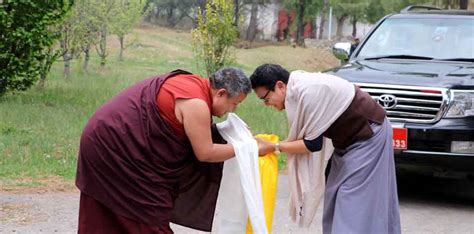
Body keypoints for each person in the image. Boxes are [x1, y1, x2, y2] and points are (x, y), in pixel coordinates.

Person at [76, 67, 257, 233]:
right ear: (221, 93)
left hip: (103, 137)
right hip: (111, 147)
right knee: (149, 214)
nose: (233, 109)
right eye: (234, 103)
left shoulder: (192, 83)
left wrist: (232, 136)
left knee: (117, 215)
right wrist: (246, 147)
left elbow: (193, 131)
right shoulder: (196, 103)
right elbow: (205, 152)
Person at [251, 64, 401, 234]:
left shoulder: (308, 91)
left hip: (368, 135)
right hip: (345, 142)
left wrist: (274, 147)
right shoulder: (296, 90)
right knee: (333, 196)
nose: (267, 104)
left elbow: (312, 144)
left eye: (266, 98)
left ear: (280, 86)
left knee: (350, 200)